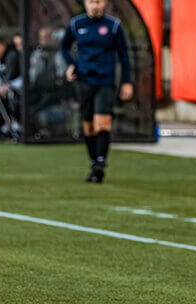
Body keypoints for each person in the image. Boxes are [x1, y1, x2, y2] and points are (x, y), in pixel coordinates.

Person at [61, 0, 133, 183]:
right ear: (86, 3)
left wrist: (126, 82)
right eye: (92, 2)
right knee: (88, 125)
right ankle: (94, 162)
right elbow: (64, 46)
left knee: (102, 121)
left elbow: (124, 55)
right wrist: (70, 64)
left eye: (99, 2)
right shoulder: (77, 24)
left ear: (105, 3)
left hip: (105, 80)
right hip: (84, 80)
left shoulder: (114, 26)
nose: (95, 6)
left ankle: (101, 162)